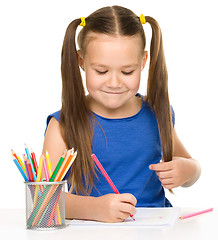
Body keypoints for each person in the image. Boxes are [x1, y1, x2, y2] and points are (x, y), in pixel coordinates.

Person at [42, 5, 201, 223]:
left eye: (127, 71)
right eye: (101, 71)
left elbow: (191, 169)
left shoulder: (157, 114)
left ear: (143, 62)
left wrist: (187, 170)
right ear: (81, 62)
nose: (115, 82)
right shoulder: (63, 124)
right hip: (90, 233)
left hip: (156, 230)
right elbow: (42, 200)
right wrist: (94, 208)